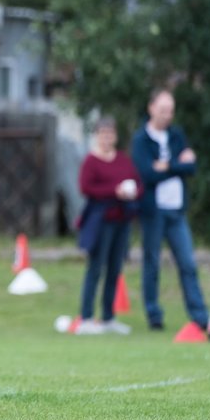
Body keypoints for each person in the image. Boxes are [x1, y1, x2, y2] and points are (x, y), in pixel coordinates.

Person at [130, 88, 210, 337]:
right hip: (153, 211)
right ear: (151, 108)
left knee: (188, 263)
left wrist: (167, 166)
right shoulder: (141, 140)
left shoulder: (177, 135)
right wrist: (177, 166)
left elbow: (191, 167)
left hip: (176, 211)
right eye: (163, 110)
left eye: (171, 110)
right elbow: (147, 174)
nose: (168, 115)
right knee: (152, 264)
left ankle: (200, 318)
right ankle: (154, 316)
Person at [72, 117, 141, 335]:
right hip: (101, 221)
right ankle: (86, 317)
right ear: (97, 136)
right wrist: (115, 191)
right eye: (103, 134)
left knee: (115, 269)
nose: (107, 138)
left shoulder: (123, 160)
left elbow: (138, 183)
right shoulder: (91, 161)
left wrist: (131, 192)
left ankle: (109, 317)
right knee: (95, 268)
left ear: (115, 137)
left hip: (121, 220)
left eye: (110, 134)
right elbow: (86, 188)